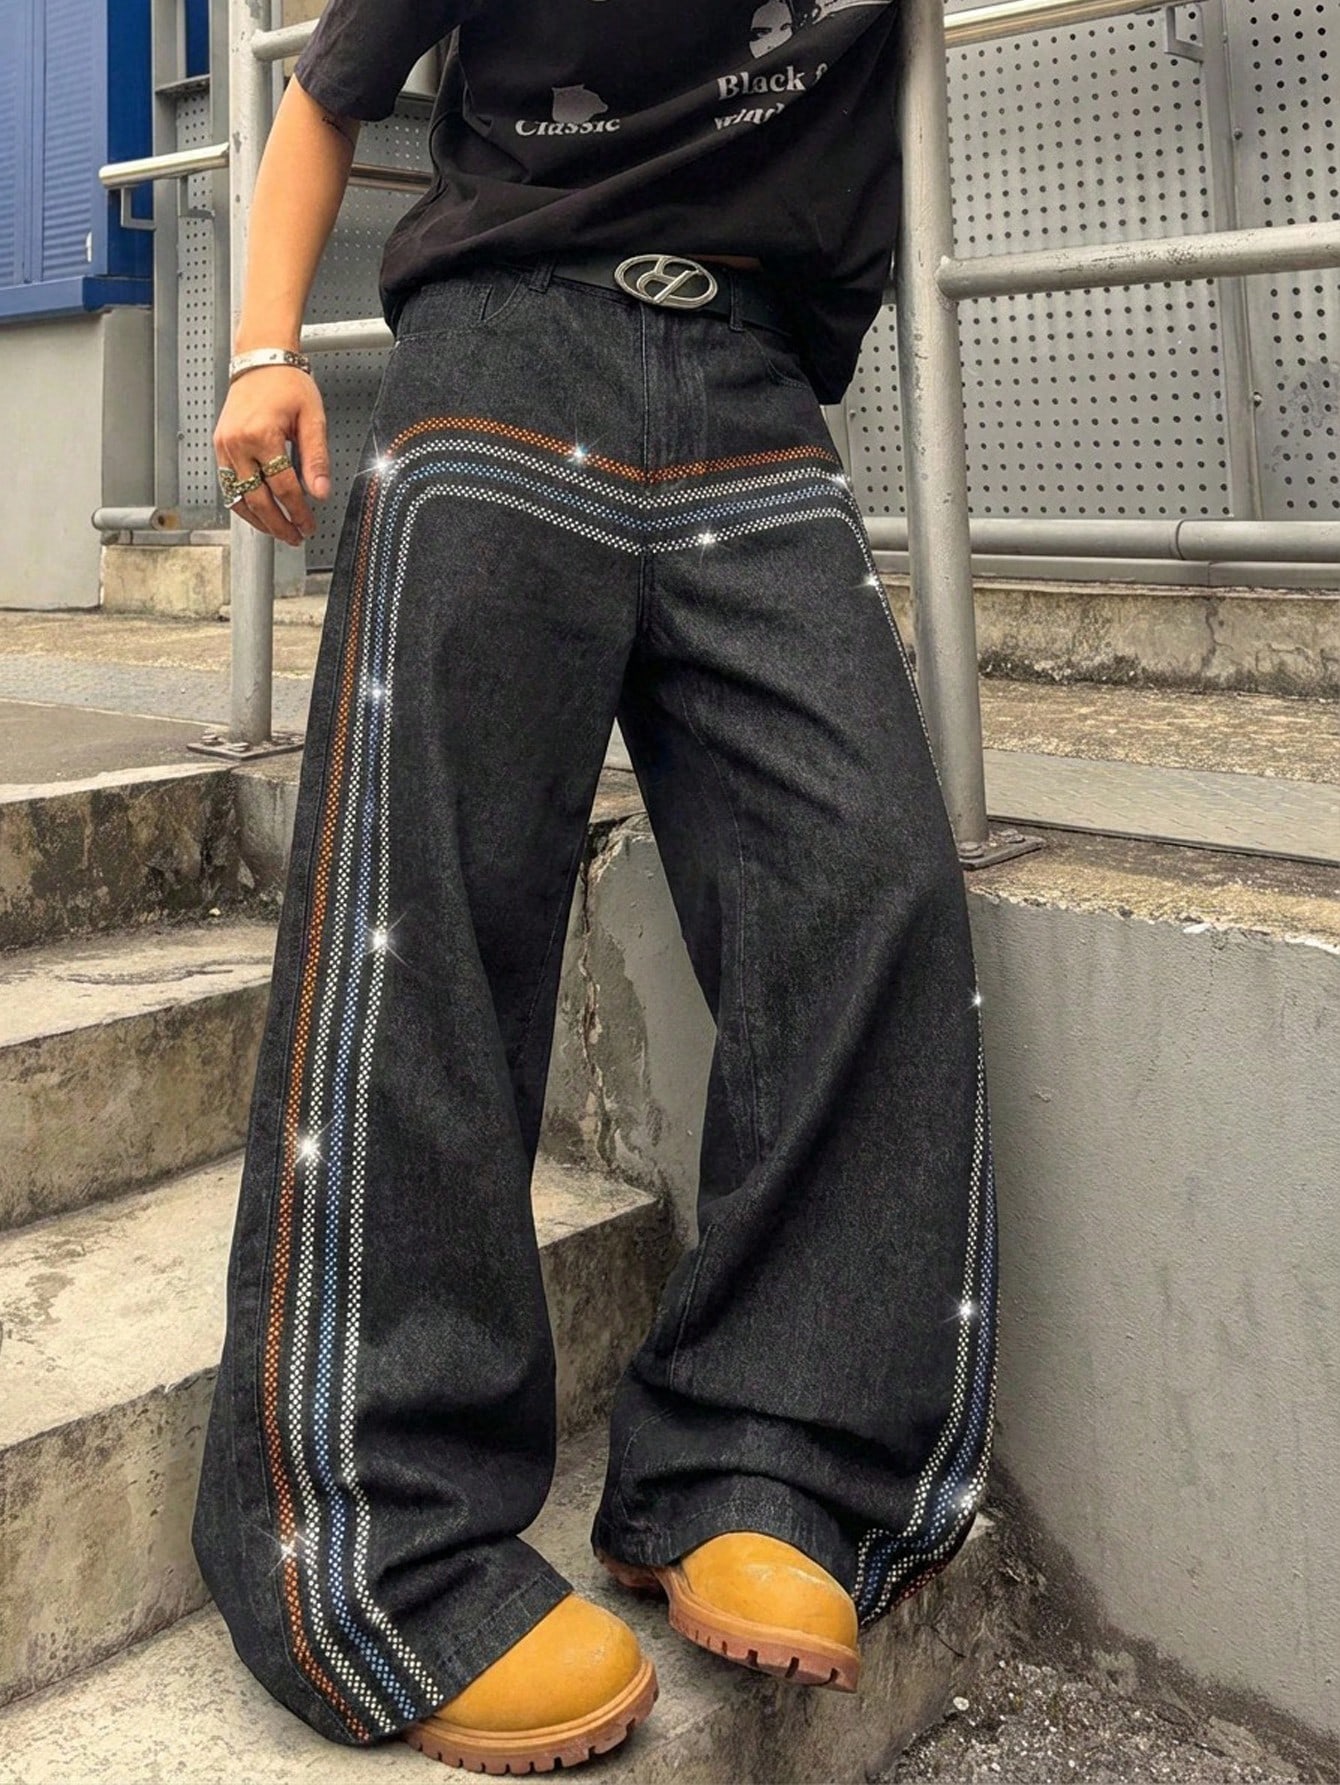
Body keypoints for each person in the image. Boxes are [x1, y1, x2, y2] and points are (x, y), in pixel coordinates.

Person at [192, 0, 999, 1772]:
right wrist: (261, 352)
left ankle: (765, 1454)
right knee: (419, 912)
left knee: (873, 881)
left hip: (753, 396)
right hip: (504, 354)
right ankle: (377, 1542)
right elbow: (329, 92)